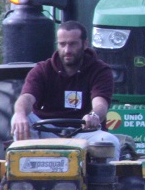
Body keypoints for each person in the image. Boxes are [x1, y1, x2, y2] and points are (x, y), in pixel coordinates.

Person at [11, 20, 119, 156]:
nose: (67, 50)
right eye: (62, 44)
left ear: (85, 44)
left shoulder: (100, 70)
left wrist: (94, 116)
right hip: (47, 131)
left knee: (109, 141)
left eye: (73, 44)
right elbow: (26, 97)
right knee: (20, 118)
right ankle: (26, 174)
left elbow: (100, 104)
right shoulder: (42, 70)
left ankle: (104, 177)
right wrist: (20, 114)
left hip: (84, 132)